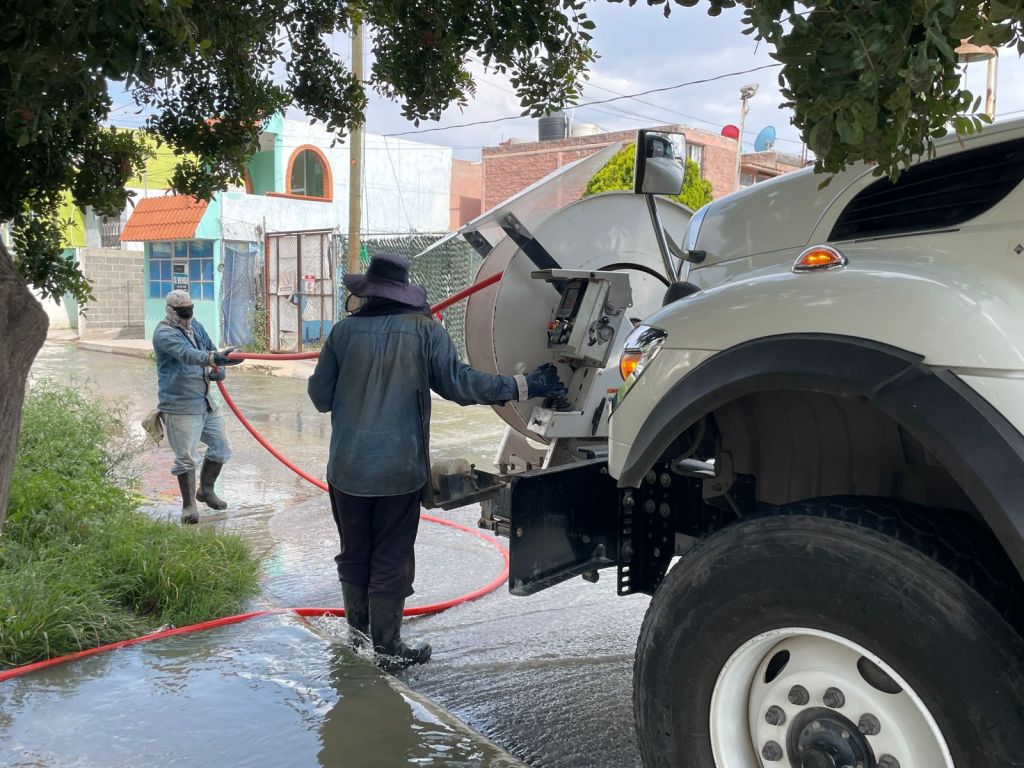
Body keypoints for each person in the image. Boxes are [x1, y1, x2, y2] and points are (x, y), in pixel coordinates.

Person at [307, 253, 566, 671]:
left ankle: (357, 641)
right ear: (405, 293)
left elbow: (320, 398)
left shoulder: (342, 333)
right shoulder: (425, 332)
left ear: (367, 293)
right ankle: (388, 649)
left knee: (354, 553)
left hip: (346, 470)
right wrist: (525, 384)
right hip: (398, 473)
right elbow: (461, 385)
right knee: (390, 556)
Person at [153, 289, 242, 524]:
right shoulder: (164, 333)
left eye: (189, 309)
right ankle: (189, 505)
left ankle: (206, 490)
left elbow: (210, 350)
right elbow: (188, 354)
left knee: (221, 447)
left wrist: (220, 368)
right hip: (180, 407)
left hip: (205, 402)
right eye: (182, 311)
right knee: (186, 458)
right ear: (170, 310)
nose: (187, 314)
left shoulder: (197, 327)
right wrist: (214, 359)